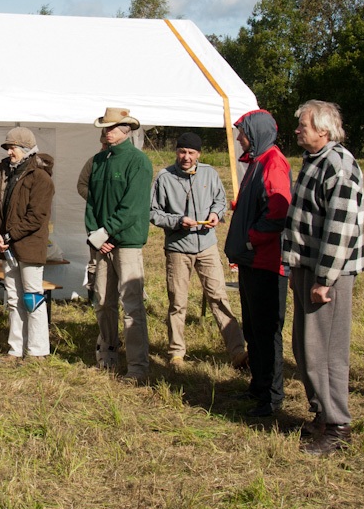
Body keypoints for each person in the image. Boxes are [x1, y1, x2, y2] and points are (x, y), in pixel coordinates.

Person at [282, 101, 364, 455]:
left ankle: (337, 426)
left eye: (303, 125)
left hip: (326, 274)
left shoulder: (339, 165)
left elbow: (340, 230)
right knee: (305, 347)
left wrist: (324, 280)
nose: (297, 130)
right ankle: (321, 414)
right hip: (308, 269)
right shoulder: (315, 161)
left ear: (324, 130)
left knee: (326, 353)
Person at [150, 131, 246, 369]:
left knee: (219, 297)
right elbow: (153, 213)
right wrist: (177, 221)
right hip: (178, 249)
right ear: (176, 152)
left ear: (198, 154)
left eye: (191, 152)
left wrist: (215, 214)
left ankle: (238, 352)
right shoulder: (164, 177)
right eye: (182, 151)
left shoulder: (210, 174)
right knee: (178, 302)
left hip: (207, 246)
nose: (186, 157)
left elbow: (220, 201)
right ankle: (176, 353)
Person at [223, 109, 291, 418]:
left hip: (266, 263)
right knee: (253, 328)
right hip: (252, 261)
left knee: (266, 332)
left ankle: (272, 397)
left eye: (243, 132)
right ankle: (258, 386)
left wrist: (250, 238)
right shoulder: (257, 162)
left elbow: (277, 211)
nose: (239, 138)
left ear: (257, 132)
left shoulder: (273, 162)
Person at [85, 107, 153, 381]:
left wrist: (105, 234)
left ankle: (137, 367)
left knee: (132, 305)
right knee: (102, 301)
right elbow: (90, 202)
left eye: (110, 127)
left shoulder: (139, 162)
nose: (105, 131)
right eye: (105, 127)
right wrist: (95, 234)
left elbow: (133, 207)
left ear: (126, 130)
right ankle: (107, 357)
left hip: (126, 244)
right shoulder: (99, 160)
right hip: (102, 243)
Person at [0, 127, 55, 361]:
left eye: (12, 147)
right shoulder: (6, 174)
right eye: (7, 147)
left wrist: (8, 235)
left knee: (32, 299)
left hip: (29, 247)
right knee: (14, 300)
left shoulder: (41, 178)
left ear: (26, 149)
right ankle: (15, 350)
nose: (9, 151)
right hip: (8, 247)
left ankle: (37, 351)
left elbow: (37, 217)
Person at [77, 130, 109, 304]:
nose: (105, 147)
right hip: (96, 220)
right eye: (103, 144)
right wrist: (95, 199)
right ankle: (92, 298)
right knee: (95, 261)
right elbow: (81, 185)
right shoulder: (93, 162)